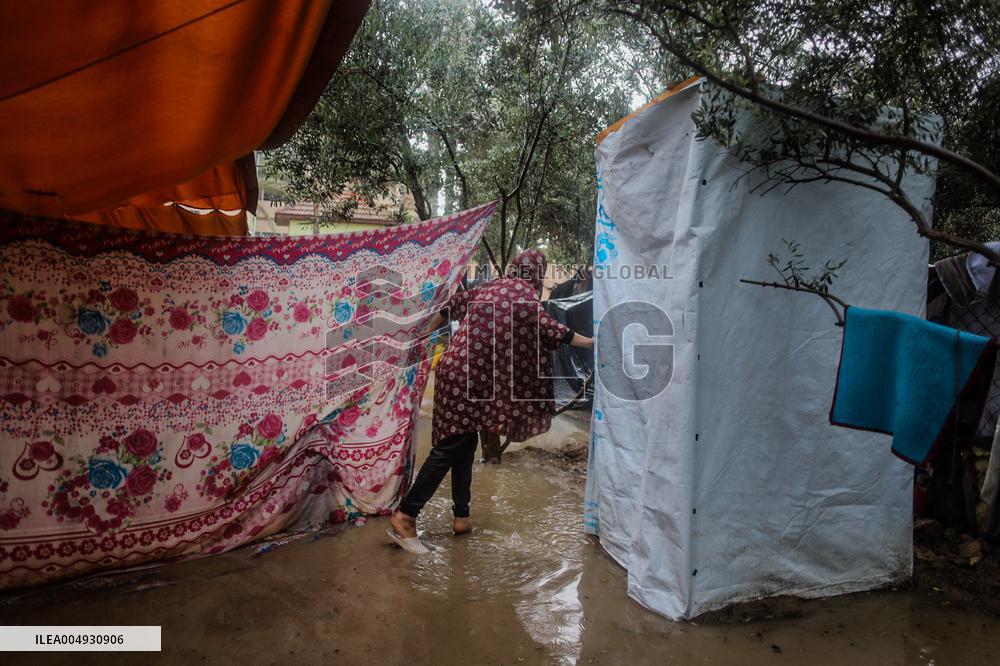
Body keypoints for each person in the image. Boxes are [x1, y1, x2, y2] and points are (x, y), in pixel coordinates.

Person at [387, 249, 594, 553]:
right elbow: (555, 332)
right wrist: (591, 342)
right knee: (450, 447)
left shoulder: (490, 287)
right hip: (470, 381)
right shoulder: (526, 299)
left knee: (466, 443)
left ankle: (461, 517)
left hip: (454, 373)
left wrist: (422, 338)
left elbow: (450, 307)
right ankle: (406, 515)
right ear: (537, 273)